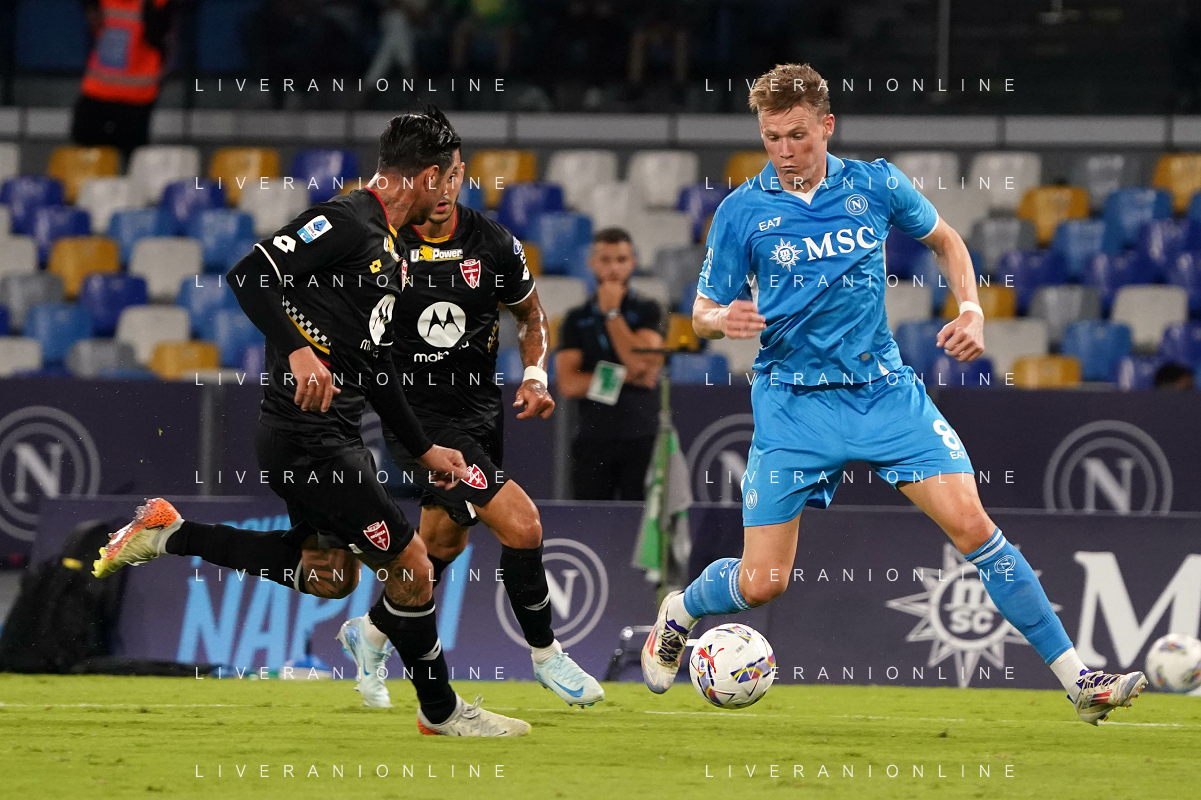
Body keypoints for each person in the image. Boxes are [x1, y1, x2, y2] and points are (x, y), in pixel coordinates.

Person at [641, 63, 1148, 725]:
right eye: (771, 137)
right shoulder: (741, 212)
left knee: (974, 527)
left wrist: (971, 310)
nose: (785, 151)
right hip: (793, 405)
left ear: (827, 125)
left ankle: (1079, 681)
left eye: (797, 135)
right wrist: (720, 318)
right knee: (763, 582)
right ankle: (679, 610)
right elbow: (702, 309)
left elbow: (946, 241)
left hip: (883, 393)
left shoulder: (875, 183)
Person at [93, 107, 530, 737]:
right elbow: (249, 276)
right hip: (305, 436)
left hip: (330, 434)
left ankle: (169, 534)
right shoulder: (347, 220)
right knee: (412, 565)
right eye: (450, 176)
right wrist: (298, 350)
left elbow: (377, 368)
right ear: (428, 178)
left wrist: (425, 450)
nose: (453, 189)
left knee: (328, 576)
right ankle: (441, 711)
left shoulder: (391, 250)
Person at [334, 135, 604, 709]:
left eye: (452, 176)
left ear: (460, 176)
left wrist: (536, 375)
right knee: (523, 525)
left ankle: (372, 632)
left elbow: (530, 315)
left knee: (440, 546)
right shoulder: (382, 243)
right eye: (431, 178)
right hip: (419, 423)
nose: (442, 189)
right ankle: (546, 654)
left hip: (480, 414)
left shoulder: (495, 243)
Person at [555, 228, 665, 501]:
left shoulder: (649, 310)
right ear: (592, 263)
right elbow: (568, 384)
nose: (614, 267)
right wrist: (628, 376)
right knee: (589, 519)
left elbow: (640, 363)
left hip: (641, 436)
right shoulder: (575, 318)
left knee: (640, 520)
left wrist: (612, 314)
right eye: (605, 260)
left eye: (621, 259)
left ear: (633, 263)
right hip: (593, 436)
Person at [72, 0, 178, 161]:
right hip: (99, 87)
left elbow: (163, 36)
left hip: (137, 93)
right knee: (83, 134)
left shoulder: (158, 4)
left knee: (132, 151)